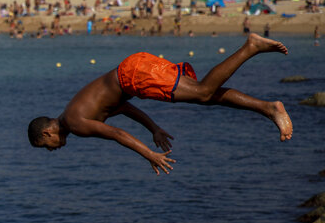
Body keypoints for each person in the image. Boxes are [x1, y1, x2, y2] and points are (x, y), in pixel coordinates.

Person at [27, 34, 292, 175]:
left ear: (47, 133)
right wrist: (153, 127)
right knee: (206, 98)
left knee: (203, 91)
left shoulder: (74, 123)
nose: (51, 151)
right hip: (133, 72)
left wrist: (149, 155)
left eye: (45, 147)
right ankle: (268, 108)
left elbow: (118, 134)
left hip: (135, 76)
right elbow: (122, 108)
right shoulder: (73, 113)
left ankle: (251, 46)